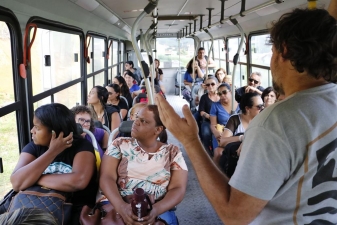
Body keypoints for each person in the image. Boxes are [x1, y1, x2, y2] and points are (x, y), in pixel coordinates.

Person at [155, 3, 337, 224]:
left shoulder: (276, 122)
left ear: (285, 50)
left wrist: (190, 141)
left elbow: (234, 215)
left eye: (272, 51)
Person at [99, 105, 188, 225]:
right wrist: (122, 207)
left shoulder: (172, 152)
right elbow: (107, 177)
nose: (136, 123)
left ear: (158, 130)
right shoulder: (119, 144)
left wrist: (156, 210)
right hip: (119, 201)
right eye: (137, 118)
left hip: (157, 205)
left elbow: (178, 188)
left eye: (143, 121)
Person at [10, 103, 97, 224]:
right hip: (30, 205)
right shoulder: (33, 147)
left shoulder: (81, 146)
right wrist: (52, 152)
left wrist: (32, 178)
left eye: (37, 127)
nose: (32, 131)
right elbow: (17, 183)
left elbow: (78, 181)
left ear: (54, 131)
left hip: (70, 209)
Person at [213, 92, 263, 166]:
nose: (263, 109)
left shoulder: (263, 121)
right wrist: (241, 138)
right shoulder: (235, 119)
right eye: (259, 107)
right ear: (247, 109)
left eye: (263, 106)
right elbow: (223, 141)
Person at [210, 83, 239, 150]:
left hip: (236, 133)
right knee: (219, 153)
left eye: (224, 92)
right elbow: (213, 124)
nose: (222, 95)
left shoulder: (240, 106)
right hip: (221, 132)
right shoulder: (215, 106)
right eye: (220, 94)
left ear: (231, 92)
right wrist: (216, 132)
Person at [198, 76, 219, 154]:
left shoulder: (221, 96)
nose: (210, 86)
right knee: (206, 133)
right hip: (208, 120)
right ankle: (208, 152)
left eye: (212, 84)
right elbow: (201, 111)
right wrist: (210, 117)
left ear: (217, 85)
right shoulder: (204, 97)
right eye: (208, 85)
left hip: (220, 121)